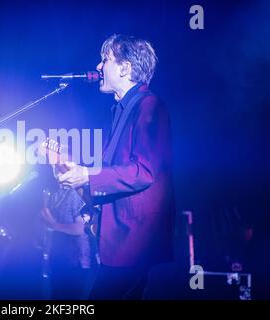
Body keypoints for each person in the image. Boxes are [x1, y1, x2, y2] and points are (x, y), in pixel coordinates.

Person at [57, 34, 175, 299]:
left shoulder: (149, 106)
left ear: (125, 68)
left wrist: (86, 174)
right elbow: (118, 173)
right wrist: (93, 206)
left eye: (105, 60)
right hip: (123, 240)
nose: (98, 67)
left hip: (135, 241)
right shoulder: (122, 109)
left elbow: (143, 172)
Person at [40, 167, 98, 300]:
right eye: (55, 165)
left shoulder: (76, 193)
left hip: (76, 262)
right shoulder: (54, 193)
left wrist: (54, 225)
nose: (58, 168)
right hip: (58, 259)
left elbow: (80, 228)